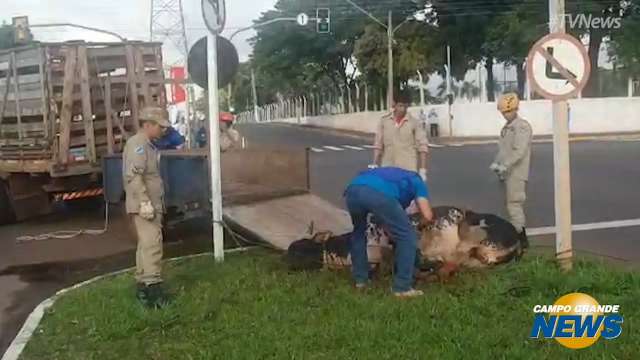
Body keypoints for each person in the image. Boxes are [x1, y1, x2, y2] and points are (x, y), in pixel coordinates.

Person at [344, 167, 434, 298]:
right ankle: (402, 287)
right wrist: (418, 227)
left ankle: (361, 280)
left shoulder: (392, 177)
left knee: (358, 233)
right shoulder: (417, 181)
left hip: (352, 190)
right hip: (378, 195)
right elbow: (427, 215)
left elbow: (386, 221)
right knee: (407, 236)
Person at [123, 106, 171, 308]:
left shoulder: (147, 144)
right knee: (152, 245)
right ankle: (154, 293)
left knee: (145, 246)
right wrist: (144, 202)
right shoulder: (139, 145)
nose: (163, 131)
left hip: (149, 203)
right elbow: (134, 175)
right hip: (146, 205)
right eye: (160, 126)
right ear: (148, 125)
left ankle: (143, 287)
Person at [490, 93, 532, 249]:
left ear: (515, 109)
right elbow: (503, 150)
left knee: (514, 205)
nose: (505, 115)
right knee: (508, 206)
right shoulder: (507, 128)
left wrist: (505, 164)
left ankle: (520, 240)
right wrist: (497, 163)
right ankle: (516, 237)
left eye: (507, 112)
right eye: (503, 112)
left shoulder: (522, 127)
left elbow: (519, 151)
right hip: (506, 172)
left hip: (516, 173)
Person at [371, 93, 430, 181]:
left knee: (408, 194)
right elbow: (378, 145)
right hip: (388, 167)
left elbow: (423, 146)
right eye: (400, 106)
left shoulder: (414, 123)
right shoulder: (384, 121)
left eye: (405, 106)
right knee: (389, 194)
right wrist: (375, 164)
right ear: (394, 105)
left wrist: (422, 170)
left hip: (408, 169)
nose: (403, 109)